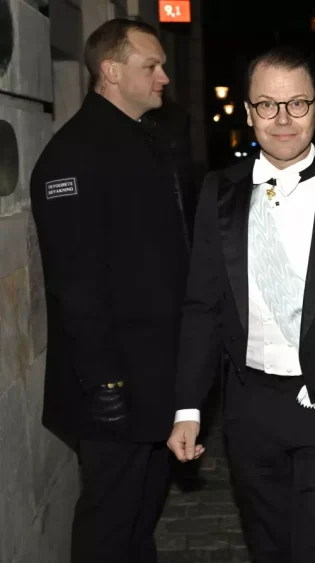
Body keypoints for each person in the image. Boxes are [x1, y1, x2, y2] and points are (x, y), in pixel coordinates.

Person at [167, 46, 315, 563]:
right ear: (249, 113)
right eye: (267, 105)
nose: (283, 119)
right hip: (249, 407)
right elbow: (202, 305)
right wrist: (188, 407)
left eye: (297, 104)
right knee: (267, 546)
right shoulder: (217, 191)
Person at [30, 19, 189, 563]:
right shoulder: (74, 154)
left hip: (153, 379)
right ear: (111, 70)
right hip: (114, 388)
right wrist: (105, 384)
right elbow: (76, 281)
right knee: (109, 526)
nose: (164, 76)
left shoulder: (141, 139)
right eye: (152, 66)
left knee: (139, 520)